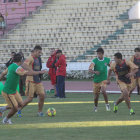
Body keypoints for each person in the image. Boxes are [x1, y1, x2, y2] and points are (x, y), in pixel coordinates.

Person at [0, 53, 46, 124]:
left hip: (14, 91)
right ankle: (6, 120)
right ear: (20, 61)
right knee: (15, 108)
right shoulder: (17, 68)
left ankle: (1, 109)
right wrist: (40, 72)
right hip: (8, 91)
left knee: (20, 104)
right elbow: (28, 73)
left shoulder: (11, 66)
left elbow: (3, 73)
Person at [17, 45, 46, 117]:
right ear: (35, 51)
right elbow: (23, 65)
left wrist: (40, 72)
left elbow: (37, 69)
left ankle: (39, 112)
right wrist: (31, 70)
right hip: (30, 80)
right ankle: (18, 109)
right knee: (30, 99)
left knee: (42, 95)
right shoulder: (30, 58)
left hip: (37, 81)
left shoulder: (38, 58)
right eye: (39, 52)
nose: (40, 54)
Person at [89, 47, 111, 112]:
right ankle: (95, 107)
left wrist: (109, 78)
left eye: (99, 54)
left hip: (104, 79)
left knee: (103, 91)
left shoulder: (107, 60)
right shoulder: (94, 61)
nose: (98, 55)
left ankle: (107, 104)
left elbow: (112, 67)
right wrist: (95, 72)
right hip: (96, 81)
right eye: (97, 54)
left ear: (103, 54)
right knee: (96, 96)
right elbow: (90, 70)